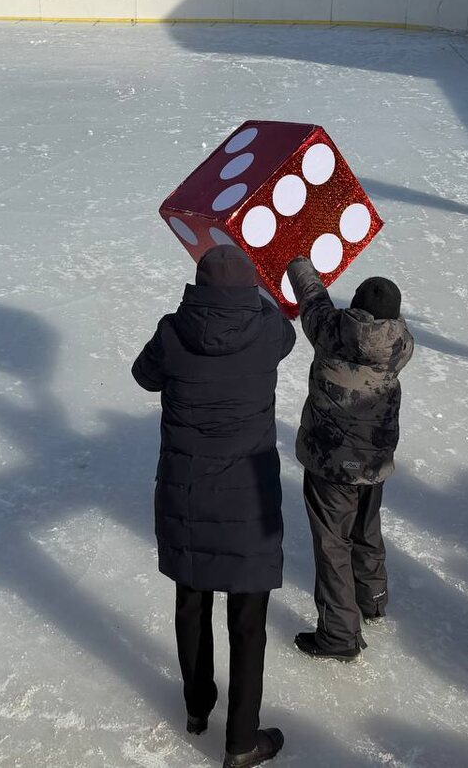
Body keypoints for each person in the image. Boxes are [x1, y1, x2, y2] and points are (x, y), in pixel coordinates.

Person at [132, 245, 295, 768]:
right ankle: (241, 742)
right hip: (249, 498)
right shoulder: (268, 330)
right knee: (248, 621)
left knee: (191, 601)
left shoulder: (172, 331)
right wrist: (262, 297)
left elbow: (143, 375)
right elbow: (287, 330)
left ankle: (198, 708)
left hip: (186, 493)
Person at [284, 257, 413, 662]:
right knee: (366, 528)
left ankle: (339, 635)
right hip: (373, 463)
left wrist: (297, 261)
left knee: (332, 544)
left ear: (354, 306)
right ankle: (372, 599)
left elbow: (311, 296)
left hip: (329, 464)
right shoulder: (399, 345)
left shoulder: (330, 330)